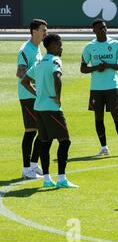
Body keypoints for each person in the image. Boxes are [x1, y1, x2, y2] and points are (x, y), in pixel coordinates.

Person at [21, 34, 78, 188]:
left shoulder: (39, 62)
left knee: (45, 142)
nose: (61, 48)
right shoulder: (55, 60)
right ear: (52, 46)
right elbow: (57, 77)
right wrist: (57, 97)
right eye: (59, 45)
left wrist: (37, 94)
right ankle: (61, 179)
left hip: (38, 108)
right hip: (52, 108)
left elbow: (25, 81)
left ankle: (47, 179)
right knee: (65, 142)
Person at [80, 19, 118, 157]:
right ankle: (104, 148)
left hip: (112, 87)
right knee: (98, 118)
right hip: (96, 89)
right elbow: (83, 68)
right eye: (99, 28)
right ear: (94, 30)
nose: (103, 30)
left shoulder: (116, 44)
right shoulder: (89, 47)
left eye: (104, 27)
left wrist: (109, 65)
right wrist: (96, 67)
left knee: (117, 116)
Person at [16, 19, 47, 179]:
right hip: (28, 96)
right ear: (34, 31)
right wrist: (37, 82)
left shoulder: (36, 48)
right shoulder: (25, 49)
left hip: (36, 95)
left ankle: (34, 165)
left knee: (41, 131)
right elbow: (20, 73)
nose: (45, 32)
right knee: (30, 132)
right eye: (43, 30)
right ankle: (26, 169)